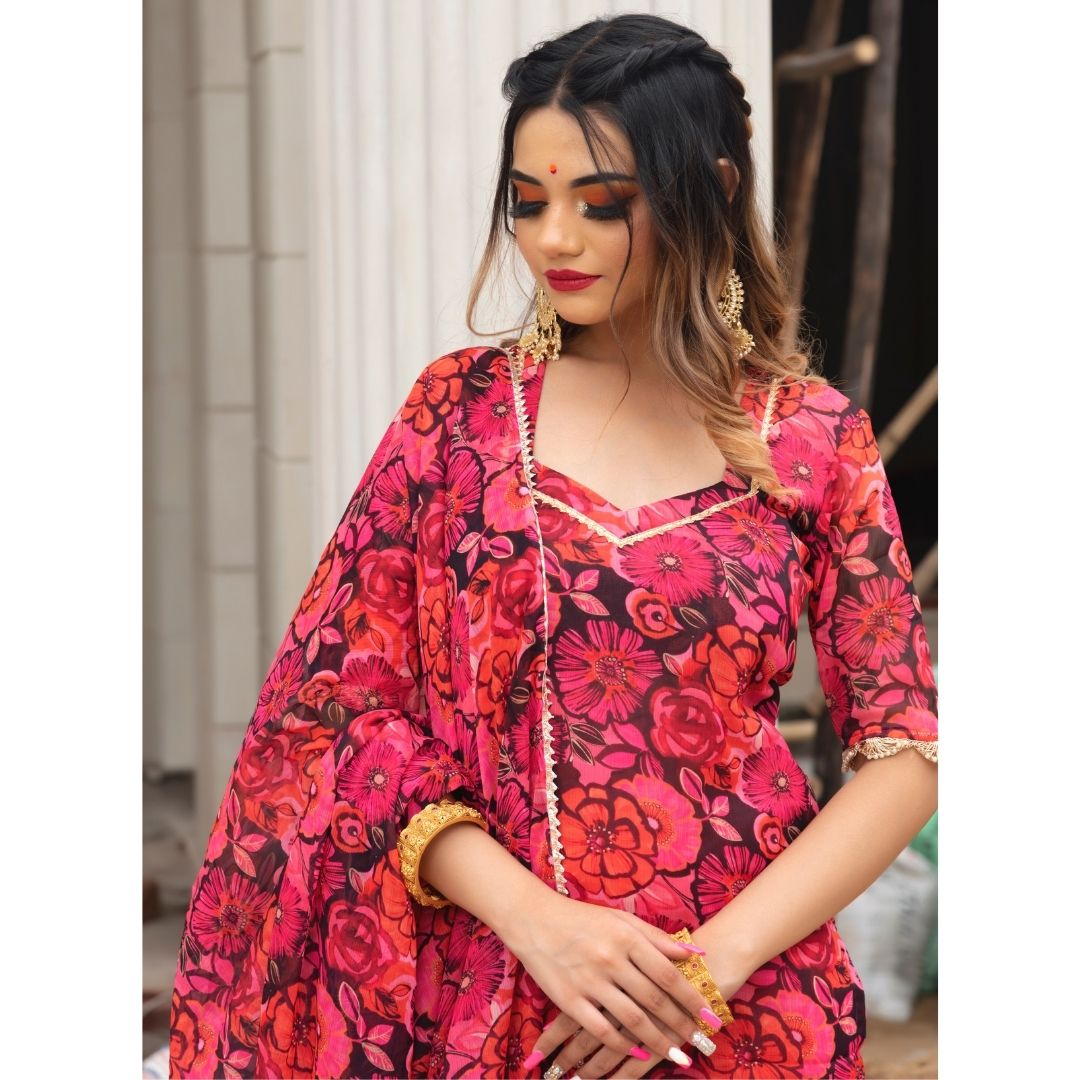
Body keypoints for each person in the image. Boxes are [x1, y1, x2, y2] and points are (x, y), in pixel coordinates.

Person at [168, 12, 938, 1079]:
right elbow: (334, 715)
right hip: (495, 1001)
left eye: (601, 204)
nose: (553, 240)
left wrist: (704, 972)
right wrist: (541, 924)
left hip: (745, 1015)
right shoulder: (461, 415)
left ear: (712, 191)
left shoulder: (813, 437)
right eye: (529, 202)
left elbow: (905, 754)